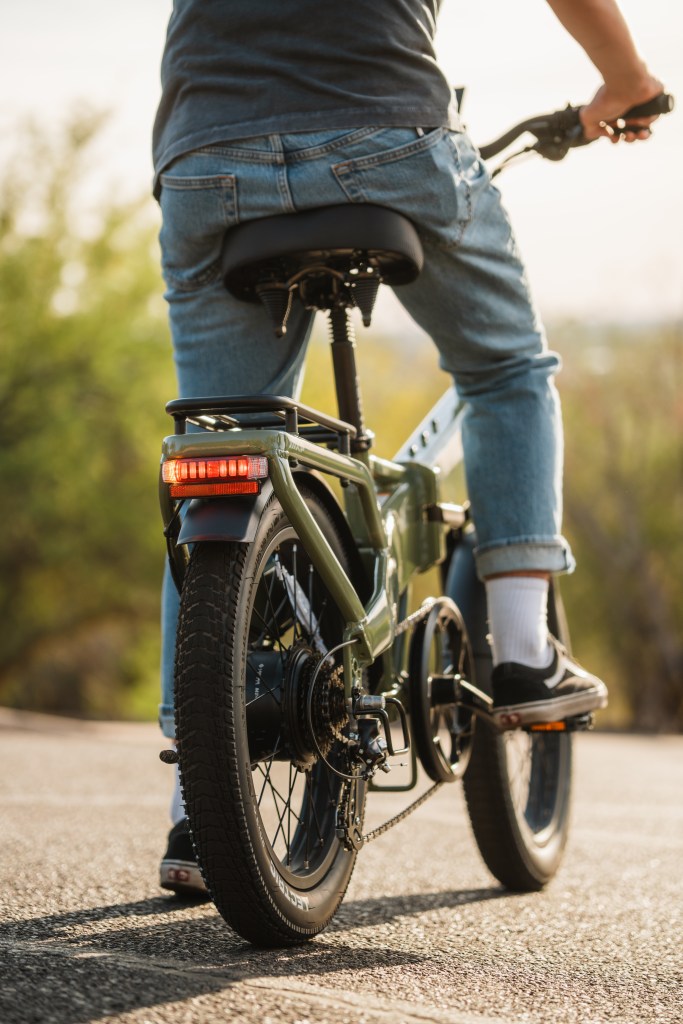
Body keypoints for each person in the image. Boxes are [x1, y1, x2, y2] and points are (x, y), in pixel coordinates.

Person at [152, 0, 664, 897]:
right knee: (505, 368)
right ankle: (519, 653)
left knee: (222, 440)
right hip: (390, 137)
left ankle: (198, 803)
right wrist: (624, 81)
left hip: (206, 155)